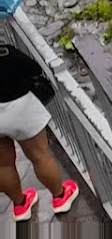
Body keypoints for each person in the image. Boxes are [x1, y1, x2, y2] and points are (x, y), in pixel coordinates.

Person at [0, 43, 79, 222]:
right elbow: (33, 68)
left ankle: (20, 205)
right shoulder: (5, 52)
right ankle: (60, 197)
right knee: (39, 156)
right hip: (20, 109)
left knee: (3, 165)